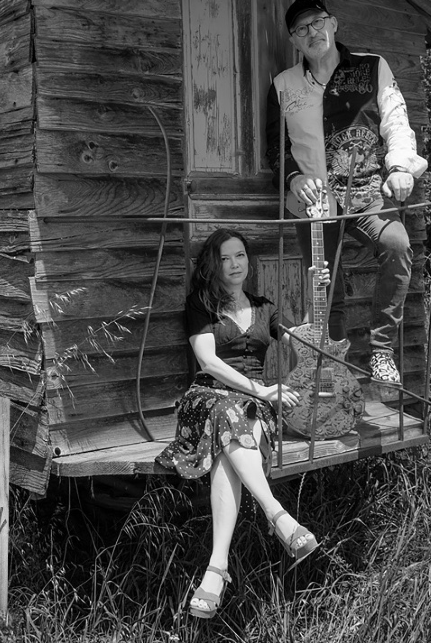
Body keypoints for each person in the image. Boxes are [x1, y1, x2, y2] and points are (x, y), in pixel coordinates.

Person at [155, 229, 322, 619]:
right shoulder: (201, 304)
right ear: (213, 264)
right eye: (226, 258)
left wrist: (318, 290)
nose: (234, 265)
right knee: (227, 414)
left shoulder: (265, 307)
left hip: (248, 407)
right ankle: (277, 515)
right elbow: (208, 363)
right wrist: (262, 391)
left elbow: (307, 339)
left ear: (249, 261)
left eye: (240, 256)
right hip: (207, 397)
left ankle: (216, 569)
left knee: (229, 449)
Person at [273, 0, 426, 387]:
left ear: (334, 24)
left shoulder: (373, 68)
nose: (312, 33)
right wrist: (293, 178)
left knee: (397, 245)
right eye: (301, 29)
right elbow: (274, 148)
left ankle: (381, 351)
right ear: (294, 40)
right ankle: (334, 370)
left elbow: (396, 121)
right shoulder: (283, 85)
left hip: (368, 194)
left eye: (318, 22)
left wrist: (398, 166)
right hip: (315, 205)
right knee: (325, 287)